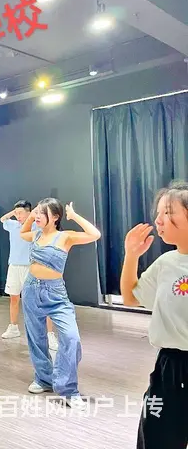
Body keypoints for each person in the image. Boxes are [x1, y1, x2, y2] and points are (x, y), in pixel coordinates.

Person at [120, 180, 188, 449]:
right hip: (169, 366)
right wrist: (131, 256)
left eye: (168, 213)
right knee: (156, 438)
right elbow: (130, 298)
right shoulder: (166, 263)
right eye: (158, 213)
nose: (159, 220)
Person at [19, 198, 100, 407]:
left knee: (71, 338)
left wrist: (74, 216)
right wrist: (31, 217)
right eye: (37, 212)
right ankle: (43, 379)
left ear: (55, 217)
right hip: (31, 289)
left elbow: (95, 234)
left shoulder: (65, 237)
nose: (37, 215)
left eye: (42, 212)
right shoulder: (36, 234)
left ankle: (68, 389)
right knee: (36, 338)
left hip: (55, 293)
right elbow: (22, 233)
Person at [0, 200, 58, 350]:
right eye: (16, 213)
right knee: (14, 298)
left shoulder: (36, 227)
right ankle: (13, 327)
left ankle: (49, 335)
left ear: (29, 213)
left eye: (21, 213)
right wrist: (14, 212)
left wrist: (34, 215)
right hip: (14, 266)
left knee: (40, 301)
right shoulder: (13, 225)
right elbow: (3, 219)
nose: (18, 216)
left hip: (31, 267)